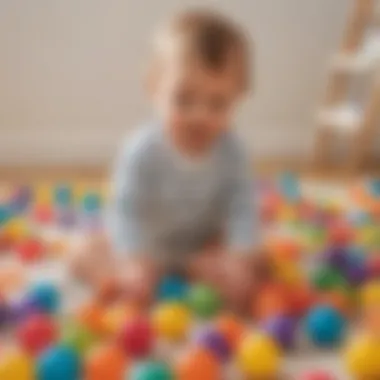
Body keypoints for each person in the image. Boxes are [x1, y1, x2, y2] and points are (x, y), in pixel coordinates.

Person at [72, 9, 264, 312]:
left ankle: (190, 273)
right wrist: (134, 259)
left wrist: (240, 255)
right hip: (149, 247)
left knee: (257, 265)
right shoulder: (141, 150)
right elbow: (126, 211)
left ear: (239, 98)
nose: (200, 116)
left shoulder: (233, 151)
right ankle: (137, 281)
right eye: (184, 99)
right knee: (85, 253)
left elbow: (242, 208)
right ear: (154, 87)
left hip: (203, 249)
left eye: (218, 103)